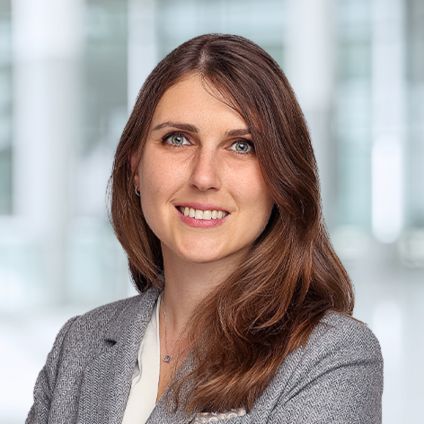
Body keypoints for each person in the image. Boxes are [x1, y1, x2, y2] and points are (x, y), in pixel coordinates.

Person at [26, 33, 383, 424]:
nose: (204, 177)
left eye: (242, 146)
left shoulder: (332, 356)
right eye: (178, 139)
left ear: (281, 178)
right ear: (135, 167)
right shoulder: (80, 344)